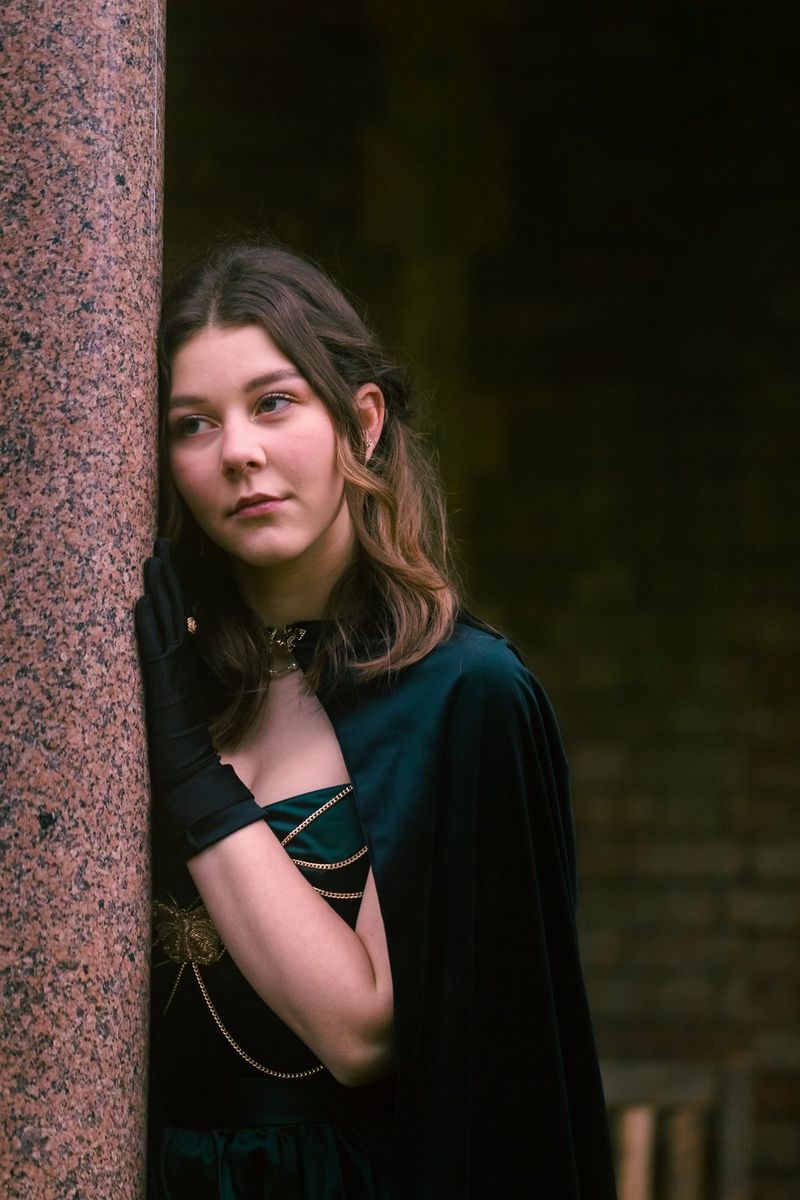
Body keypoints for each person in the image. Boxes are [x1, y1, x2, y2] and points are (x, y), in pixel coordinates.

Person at [136, 242, 617, 1200]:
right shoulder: (153, 675)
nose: (238, 450)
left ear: (363, 421)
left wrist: (187, 764)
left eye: (274, 403)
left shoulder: (465, 697)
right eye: (195, 423)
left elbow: (363, 1034)